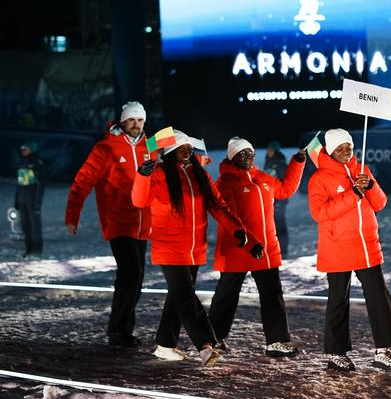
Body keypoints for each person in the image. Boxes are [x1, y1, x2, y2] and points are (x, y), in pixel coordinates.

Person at [132, 131, 258, 366]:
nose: (189, 150)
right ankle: (206, 345)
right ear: (170, 151)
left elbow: (218, 205)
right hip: (169, 247)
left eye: (190, 147)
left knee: (178, 297)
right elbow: (139, 201)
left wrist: (236, 229)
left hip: (194, 249)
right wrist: (142, 176)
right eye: (183, 147)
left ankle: (165, 345)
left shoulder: (199, 174)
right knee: (186, 298)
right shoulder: (158, 174)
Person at [307, 128, 391, 372]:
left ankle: (383, 351)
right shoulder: (319, 178)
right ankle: (336, 353)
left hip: (367, 246)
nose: (346, 152)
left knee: (379, 297)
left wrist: (369, 185)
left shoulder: (363, 170)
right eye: (340, 149)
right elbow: (320, 213)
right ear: (329, 150)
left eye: (348, 147)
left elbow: (380, 203)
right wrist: (352, 194)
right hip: (337, 248)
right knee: (338, 300)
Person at [209, 136, 306, 357]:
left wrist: (297, 163)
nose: (248, 157)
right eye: (242, 154)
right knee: (227, 295)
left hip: (266, 249)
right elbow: (229, 216)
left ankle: (277, 341)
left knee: (272, 295)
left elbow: (285, 190)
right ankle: (213, 338)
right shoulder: (225, 183)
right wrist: (249, 242)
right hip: (238, 248)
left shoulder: (262, 178)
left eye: (251, 153)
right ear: (232, 157)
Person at [65, 101, 151, 348]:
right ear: (122, 122)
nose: (136, 125)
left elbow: (177, 146)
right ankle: (117, 331)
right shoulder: (106, 147)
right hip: (118, 221)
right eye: (132, 120)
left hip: (142, 222)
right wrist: (73, 215)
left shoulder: (151, 144)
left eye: (140, 120)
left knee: (137, 276)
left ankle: (123, 330)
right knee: (131, 272)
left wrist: (200, 162)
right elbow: (82, 182)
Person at [15, 140, 46, 257]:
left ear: (31, 149)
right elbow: (19, 184)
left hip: (32, 199)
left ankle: (37, 249)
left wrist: (37, 201)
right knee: (25, 225)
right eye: (22, 148)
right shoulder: (22, 163)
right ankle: (29, 248)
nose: (23, 150)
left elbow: (41, 184)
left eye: (25, 148)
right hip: (22, 199)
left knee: (35, 225)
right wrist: (16, 200)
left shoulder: (37, 163)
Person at [263, 140, 289, 257]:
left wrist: (280, 199)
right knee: (272, 224)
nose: (269, 152)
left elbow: (284, 182)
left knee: (280, 223)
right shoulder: (268, 161)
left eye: (271, 150)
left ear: (276, 151)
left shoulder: (281, 163)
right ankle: (275, 249)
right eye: (268, 149)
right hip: (270, 198)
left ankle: (283, 250)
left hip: (279, 198)